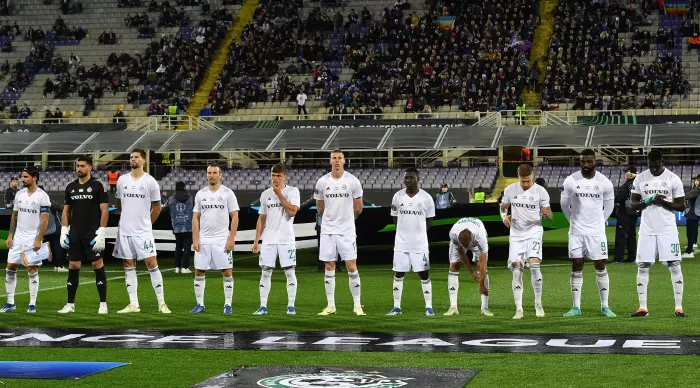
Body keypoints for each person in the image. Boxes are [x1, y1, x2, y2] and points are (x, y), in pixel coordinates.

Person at [113, 149, 170, 314]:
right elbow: (119, 203)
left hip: (143, 231)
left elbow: (157, 207)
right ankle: (133, 304)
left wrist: (147, 224)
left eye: (136, 157)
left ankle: (161, 303)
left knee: (152, 264)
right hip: (125, 230)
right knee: (128, 265)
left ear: (143, 161)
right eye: (131, 157)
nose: (133, 159)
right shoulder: (122, 180)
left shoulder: (150, 181)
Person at [630, 150, 686, 317]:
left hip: (667, 230)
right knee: (643, 266)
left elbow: (681, 206)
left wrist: (663, 202)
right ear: (647, 162)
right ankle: (642, 308)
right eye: (650, 165)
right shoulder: (640, 178)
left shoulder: (673, 178)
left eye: (656, 165)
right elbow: (633, 205)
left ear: (662, 161)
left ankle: (678, 307)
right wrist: (647, 201)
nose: (653, 169)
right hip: (647, 230)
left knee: (674, 265)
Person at [560, 149, 616, 317]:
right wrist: (572, 221)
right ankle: (576, 307)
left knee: (600, 264)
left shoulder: (604, 182)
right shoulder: (571, 180)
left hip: (596, 232)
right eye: (583, 161)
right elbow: (564, 205)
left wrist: (600, 222)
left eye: (589, 161)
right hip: (576, 231)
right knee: (577, 264)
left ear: (595, 161)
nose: (585, 164)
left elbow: (610, 206)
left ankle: (605, 306)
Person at [314, 149, 365, 316]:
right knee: (329, 266)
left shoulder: (353, 181)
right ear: (330, 161)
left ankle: (357, 305)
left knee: (351, 267)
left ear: (344, 161)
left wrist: (345, 220)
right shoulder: (322, 182)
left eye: (339, 158)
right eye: (334, 158)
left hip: (346, 231)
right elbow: (320, 208)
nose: (336, 161)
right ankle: (331, 306)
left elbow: (359, 208)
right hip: (328, 230)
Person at [57, 155, 109, 314]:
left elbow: (104, 210)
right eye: (77, 166)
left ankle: (103, 304)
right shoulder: (70, 187)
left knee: (97, 265)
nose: (78, 169)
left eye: (82, 166)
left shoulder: (98, 186)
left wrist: (101, 232)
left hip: (92, 233)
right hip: (75, 233)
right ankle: (70, 304)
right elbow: (66, 211)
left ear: (90, 168)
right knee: (73, 266)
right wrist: (64, 230)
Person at [500, 164, 552, 319]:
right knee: (517, 269)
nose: (526, 184)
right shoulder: (510, 190)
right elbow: (503, 207)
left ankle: (538, 303)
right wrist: (503, 217)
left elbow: (550, 216)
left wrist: (546, 212)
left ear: (532, 177)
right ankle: (519, 309)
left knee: (534, 265)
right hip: (516, 234)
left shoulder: (541, 191)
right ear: (519, 177)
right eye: (523, 181)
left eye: (528, 181)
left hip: (534, 232)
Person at [0, 167, 51, 313]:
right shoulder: (19, 194)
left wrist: (38, 239)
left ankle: (32, 304)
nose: (23, 179)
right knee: (10, 268)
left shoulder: (43, 196)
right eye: (22, 176)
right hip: (18, 238)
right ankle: (10, 303)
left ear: (34, 178)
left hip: (32, 238)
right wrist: (10, 236)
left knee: (32, 269)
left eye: (26, 176)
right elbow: (14, 216)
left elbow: (44, 221)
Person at [251, 164, 300, 315]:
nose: (275, 178)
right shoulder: (265, 194)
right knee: (265, 272)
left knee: (289, 272)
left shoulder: (293, 191)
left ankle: (291, 306)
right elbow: (261, 219)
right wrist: (256, 241)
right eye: (273, 175)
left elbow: (292, 212)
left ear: (285, 176)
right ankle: (263, 306)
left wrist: (279, 194)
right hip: (269, 239)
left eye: (278, 176)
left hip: (286, 238)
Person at [386, 167, 435, 316]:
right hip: (401, 244)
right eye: (406, 178)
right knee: (398, 274)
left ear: (418, 179)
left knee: (424, 275)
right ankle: (396, 307)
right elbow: (395, 217)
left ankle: (429, 307)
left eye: (411, 177)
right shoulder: (398, 196)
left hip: (419, 244)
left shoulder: (426, 198)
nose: (408, 180)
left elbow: (429, 221)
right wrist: (403, 232)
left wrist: (418, 235)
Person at [190, 165, 239, 314]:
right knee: (199, 271)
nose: (211, 176)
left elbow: (235, 216)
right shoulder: (200, 194)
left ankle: (228, 305)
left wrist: (231, 238)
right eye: (209, 173)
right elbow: (195, 217)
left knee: (227, 272)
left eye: (214, 173)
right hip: (204, 240)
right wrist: (195, 238)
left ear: (220, 175)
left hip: (221, 240)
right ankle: (200, 305)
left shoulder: (227, 193)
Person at [443, 217, 492, 316]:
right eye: (464, 246)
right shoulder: (454, 234)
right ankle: (453, 307)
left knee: (480, 266)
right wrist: (472, 273)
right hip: (461, 235)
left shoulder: (480, 237)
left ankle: (484, 308)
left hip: (477, 229)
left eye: (467, 246)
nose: (466, 248)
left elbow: (483, 264)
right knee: (454, 266)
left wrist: (481, 285)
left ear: (472, 239)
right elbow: (461, 254)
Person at [614, 167, 639, 263]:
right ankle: (632, 257)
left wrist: (615, 198)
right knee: (631, 237)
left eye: (626, 173)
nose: (625, 175)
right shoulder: (638, 185)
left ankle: (618, 258)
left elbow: (620, 198)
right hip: (634, 214)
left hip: (624, 214)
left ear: (630, 174)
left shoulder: (626, 186)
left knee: (621, 236)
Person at [167, 181, 193, 274]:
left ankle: (177, 267)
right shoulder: (190, 198)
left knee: (178, 247)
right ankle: (185, 267)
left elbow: (166, 210)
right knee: (187, 247)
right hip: (188, 226)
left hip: (177, 226)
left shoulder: (171, 199)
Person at [682, 175, 700, 259]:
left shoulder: (696, 190)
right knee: (694, 230)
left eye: (697, 180)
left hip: (692, 212)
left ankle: (689, 252)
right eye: (695, 180)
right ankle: (693, 244)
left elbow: (687, 196)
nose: (695, 181)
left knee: (690, 233)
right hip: (697, 212)